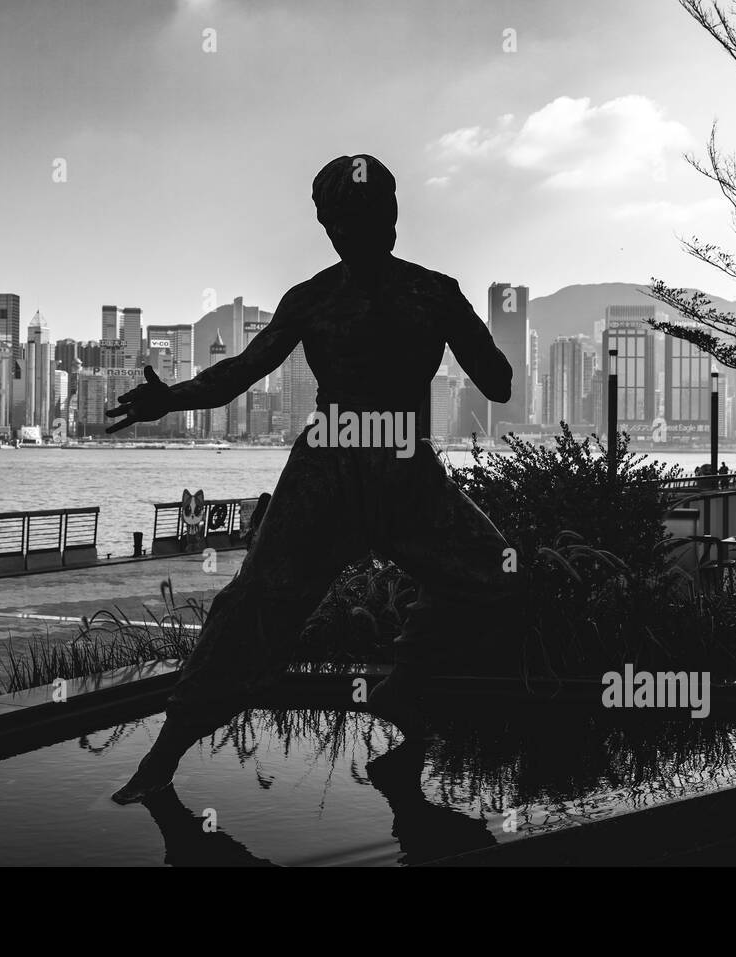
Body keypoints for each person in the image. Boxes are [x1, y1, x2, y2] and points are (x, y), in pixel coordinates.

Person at [106, 154, 522, 802]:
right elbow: (497, 379)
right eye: (344, 222)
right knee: (254, 607)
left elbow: (235, 376)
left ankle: (403, 684)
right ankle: (163, 756)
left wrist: (168, 399)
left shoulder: (402, 295)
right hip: (335, 472)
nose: (352, 231)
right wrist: (170, 399)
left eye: (360, 217)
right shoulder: (399, 295)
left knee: (492, 572)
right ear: (340, 226)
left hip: (387, 470)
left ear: (385, 217)